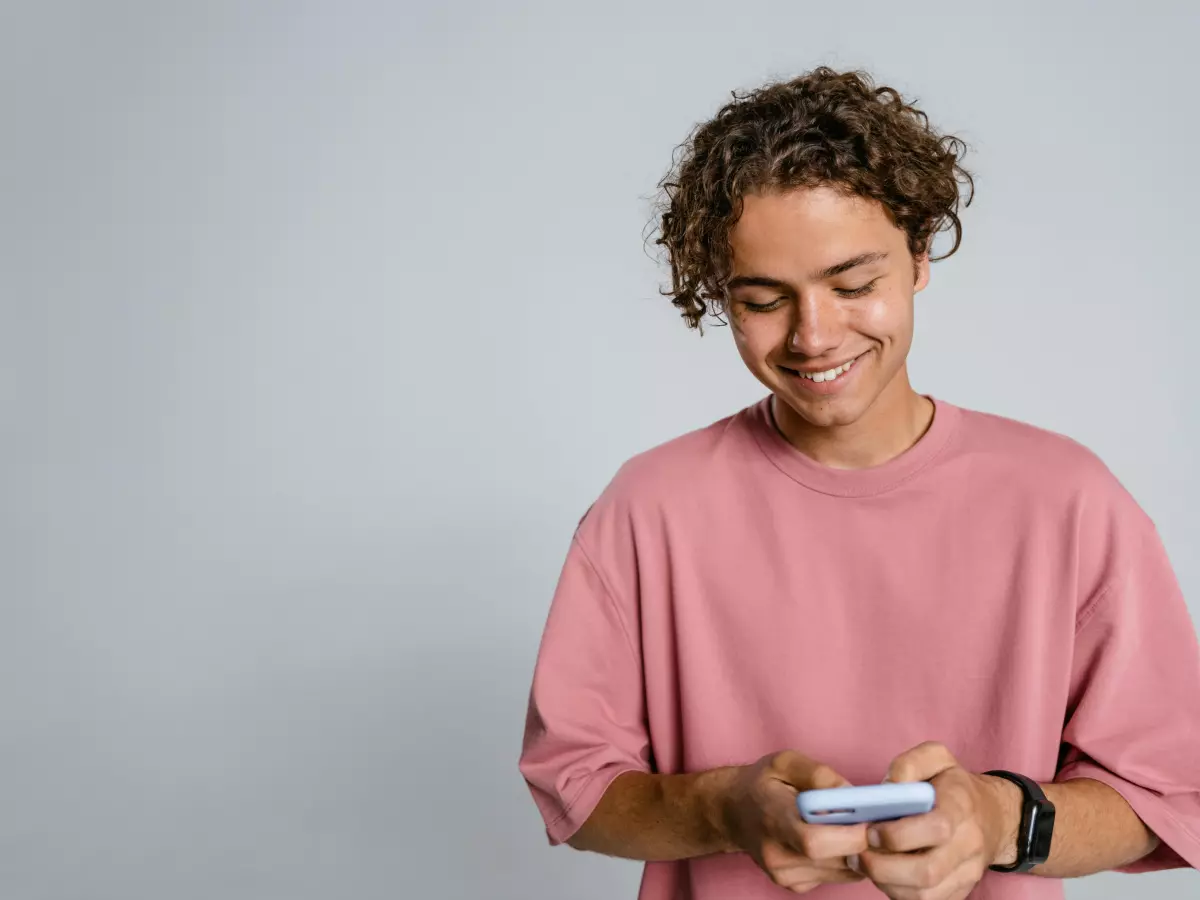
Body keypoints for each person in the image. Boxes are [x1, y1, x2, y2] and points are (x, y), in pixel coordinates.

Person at [516, 67, 1200, 900]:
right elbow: (576, 788)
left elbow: (1170, 796)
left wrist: (995, 820)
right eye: (764, 299)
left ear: (918, 256)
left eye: (853, 285)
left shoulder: (1068, 500)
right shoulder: (647, 508)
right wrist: (722, 808)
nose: (813, 334)